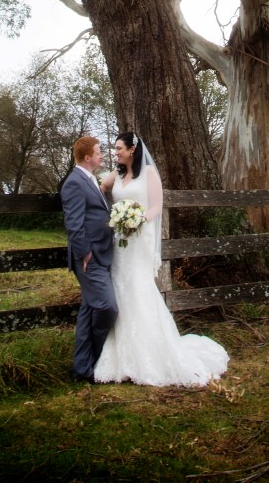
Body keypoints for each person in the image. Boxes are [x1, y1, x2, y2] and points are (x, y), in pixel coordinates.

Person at [94, 131, 229, 387]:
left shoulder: (149, 174)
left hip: (138, 239)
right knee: (120, 289)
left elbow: (156, 206)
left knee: (137, 287)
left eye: (119, 148)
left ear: (132, 149)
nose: (115, 152)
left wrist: (137, 218)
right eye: (113, 149)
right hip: (119, 243)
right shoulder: (117, 174)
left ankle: (151, 351)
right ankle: (122, 354)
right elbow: (99, 189)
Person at [60, 136, 118, 382]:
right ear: (87, 157)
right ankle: (96, 356)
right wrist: (85, 253)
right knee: (107, 307)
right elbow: (73, 224)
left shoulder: (90, 179)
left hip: (101, 253)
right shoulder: (74, 183)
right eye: (98, 152)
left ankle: (83, 369)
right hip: (89, 258)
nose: (101, 155)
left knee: (89, 310)